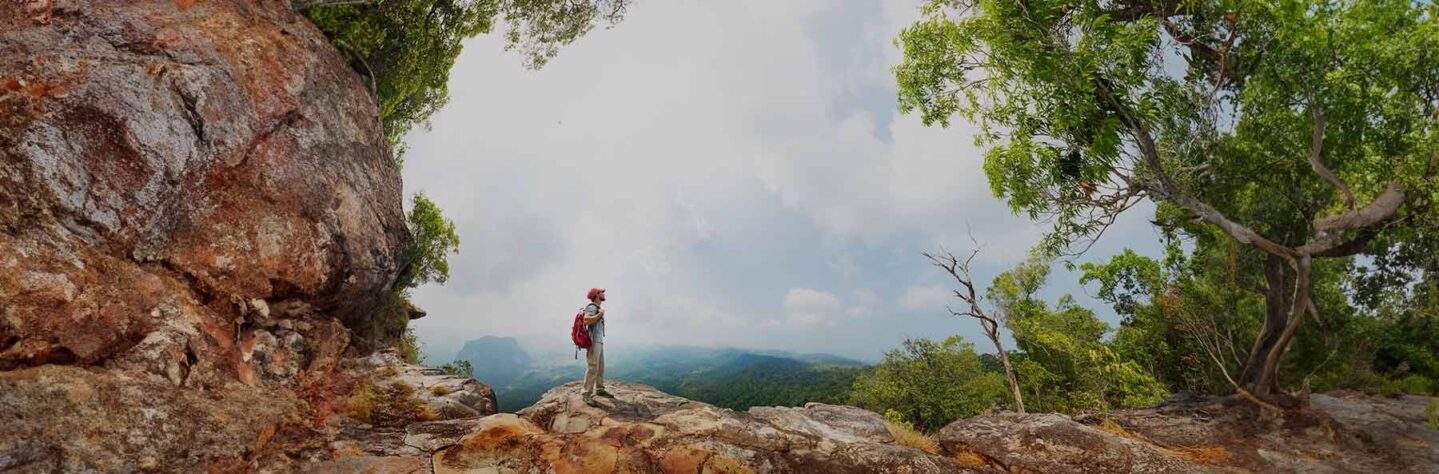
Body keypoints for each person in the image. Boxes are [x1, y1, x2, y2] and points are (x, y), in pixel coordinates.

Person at [581, 287, 611, 405]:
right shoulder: (592, 307)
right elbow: (587, 320)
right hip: (594, 341)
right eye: (601, 292)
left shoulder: (597, 308)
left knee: (600, 367)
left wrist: (600, 313)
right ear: (597, 295)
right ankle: (586, 394)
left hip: (598, 341)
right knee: (593, 367)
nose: (603, 294)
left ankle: (600, 389)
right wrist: (600, 314)